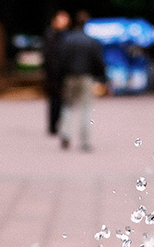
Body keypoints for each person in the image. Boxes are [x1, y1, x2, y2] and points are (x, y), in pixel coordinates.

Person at [51, 11, 106, 151]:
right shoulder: (91, 41)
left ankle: (65, 133)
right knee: (85, 109)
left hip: (69, 77)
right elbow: (98, 61)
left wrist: (58, 80)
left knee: (68, 106)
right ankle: (84, 141)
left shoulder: (67, 40)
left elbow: (60, 61)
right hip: (86, 77)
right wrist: (102, 78)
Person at [41, 10, 71, 137]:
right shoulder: (51, 35)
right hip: (53, 74)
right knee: (54, 100)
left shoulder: (66, 36)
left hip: (63, 74)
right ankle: (53, 125)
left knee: (62, 101)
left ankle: (59, 124)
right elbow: (48, 56)